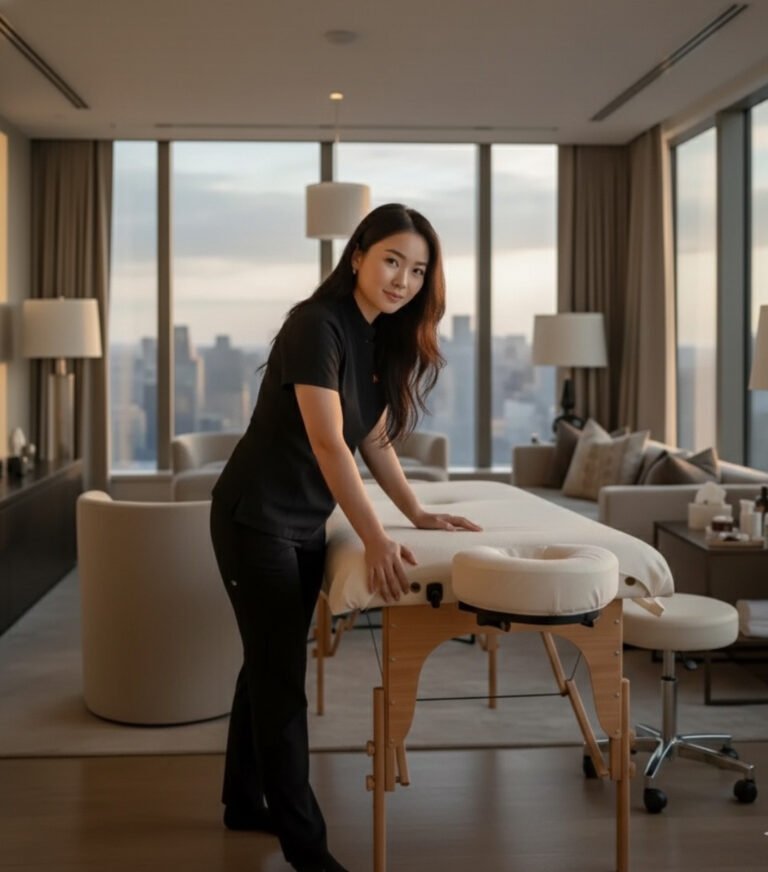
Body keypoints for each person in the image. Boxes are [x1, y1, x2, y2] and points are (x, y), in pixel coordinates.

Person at [209, 202, 481, 872]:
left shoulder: (372, 335)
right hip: (256, 518)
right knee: (281, 682)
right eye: (393, 260)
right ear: (357, 254)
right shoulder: (316, 325)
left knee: (267, 660)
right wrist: (377, 537)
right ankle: (309, 851)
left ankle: (243, 802)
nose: (403, 280)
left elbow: (371, 437)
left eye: (418, 271)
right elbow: (329, 443)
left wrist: (415, 513)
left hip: (301, 521)